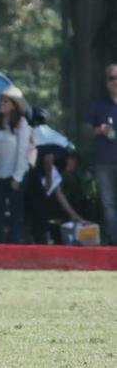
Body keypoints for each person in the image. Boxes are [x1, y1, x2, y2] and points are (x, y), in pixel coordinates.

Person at [0, 85, 33, 244]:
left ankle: (14, 244)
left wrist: (17, 177)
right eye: (0, 100)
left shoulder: (22, 124)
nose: (1, 104)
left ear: (13, 105)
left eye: (5, 101)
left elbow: (22, 151)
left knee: (15, 213)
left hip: (14, 174)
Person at [24, 144, 85, 244]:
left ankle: (36, 240)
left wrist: (75, 216)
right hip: (30, 174)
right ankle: (40, 242)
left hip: (33, 177)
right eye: (72, 167)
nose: (69, 171)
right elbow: (48, 158)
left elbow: (59, 193)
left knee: (37, 213)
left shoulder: (58, 167)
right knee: (38, 213)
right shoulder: (62, 155)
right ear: (72, 161)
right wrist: (48, 178)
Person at [86, 63, 117, 244]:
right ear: (106, 82)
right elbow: (85, 132)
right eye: (111, 78)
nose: (115, 82)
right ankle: (114, 243)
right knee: (108, 204)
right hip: (104, 162)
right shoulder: (98, 106)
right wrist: (99, 130)